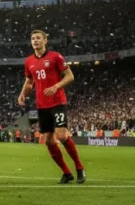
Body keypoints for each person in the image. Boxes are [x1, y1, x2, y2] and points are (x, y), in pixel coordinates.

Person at [18, 30, 86, 184]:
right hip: (42, 105)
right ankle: (66, 173)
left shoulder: (55, 57)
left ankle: (79, 167)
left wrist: (56, 86)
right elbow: (29, 82)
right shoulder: (29, 61)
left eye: (38, 38)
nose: (35, 41)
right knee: (48, 141)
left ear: (45, 40)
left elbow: (70, 76)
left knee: (62, 135)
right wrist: (23, 94)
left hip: (57, 102)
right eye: (33, 38)